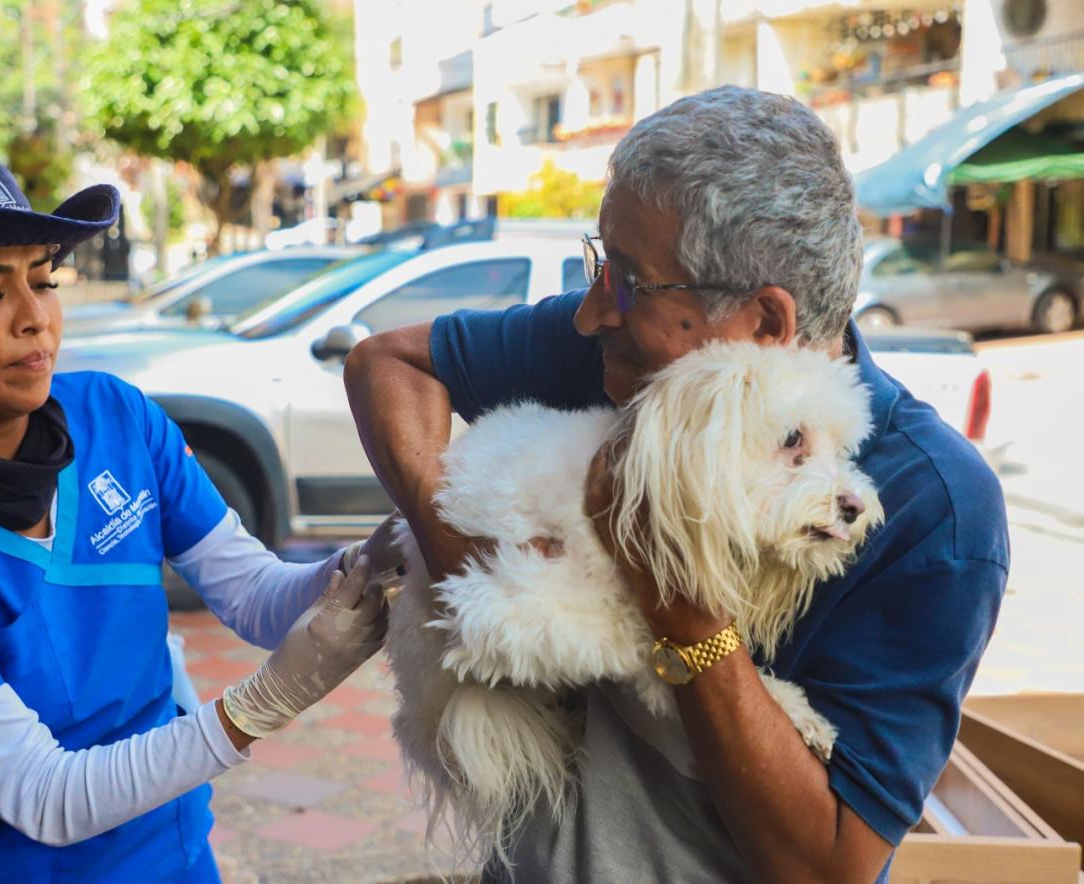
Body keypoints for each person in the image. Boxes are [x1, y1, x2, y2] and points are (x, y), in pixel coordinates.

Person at [344, 86, 1009, 883]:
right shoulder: (620, 351)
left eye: (628, 280)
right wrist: (457, 548)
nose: (592, 313)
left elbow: (829, 866)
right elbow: (388, 363)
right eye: (600, 264)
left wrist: (677, 604)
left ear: (764, 324)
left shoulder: (935, 510)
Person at [0, 149, 398, 882]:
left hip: (169, 853)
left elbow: (253, 594)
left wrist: (375, 559)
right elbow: (42, 794)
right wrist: (260, 705)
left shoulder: (115, 416)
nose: (35, 318)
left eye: (43, 280)